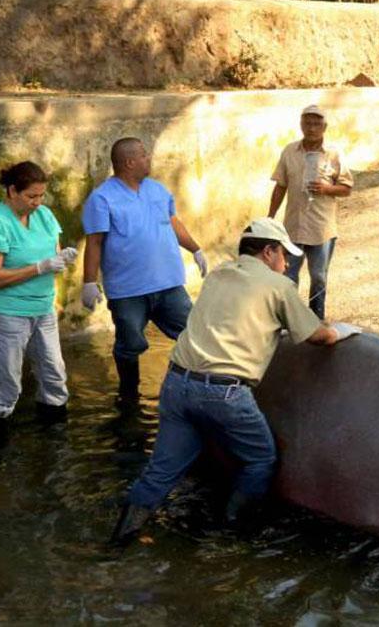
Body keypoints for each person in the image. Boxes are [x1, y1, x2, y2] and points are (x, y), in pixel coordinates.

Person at [109, 218, 360, 546]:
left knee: (160, 472)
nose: (286, 265)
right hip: (223, 393)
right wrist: (342, 331)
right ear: (269, 252)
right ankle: (229, 534)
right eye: (285, 256)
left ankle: (117, 543)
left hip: (176, 384)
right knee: (259, 459)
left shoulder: (218, 275)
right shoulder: (277, 286)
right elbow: (317, 336)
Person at [80, 138, 209, 402]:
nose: (148, 158)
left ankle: (199, 388)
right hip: (128, 291)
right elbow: (95, 241)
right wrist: (89, 282)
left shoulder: (158, 190)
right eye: (143, 155)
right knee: (129, 346)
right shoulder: (103, 198)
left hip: (169, 285)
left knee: (195, 336)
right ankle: (129, 395)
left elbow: (174, 222)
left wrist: (195, 249)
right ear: (129, 162)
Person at [0, 161, 78, 446]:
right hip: (8, 312)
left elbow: (51, 254)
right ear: (12, 191)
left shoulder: (44, 215)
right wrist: (40, 267)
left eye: (42, 195)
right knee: (7, 380)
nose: (37, 202)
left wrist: (61, 259)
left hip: (43, 308)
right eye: (31, 196)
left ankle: (55, 436)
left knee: (54, 371)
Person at [267, 105, 355, 319]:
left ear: (324, 127)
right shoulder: (289, 151)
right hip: (293, 228)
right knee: (287, 276)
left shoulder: (333, 154)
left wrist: (327, 189)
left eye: (317, 124)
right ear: (301, 125)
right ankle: (290, 320)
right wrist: (270, 216)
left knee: (319, 277)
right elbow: (280, 186)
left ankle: (316, 320)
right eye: (308, 123)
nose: (312, 128)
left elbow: (347, 188)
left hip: (321, 229)